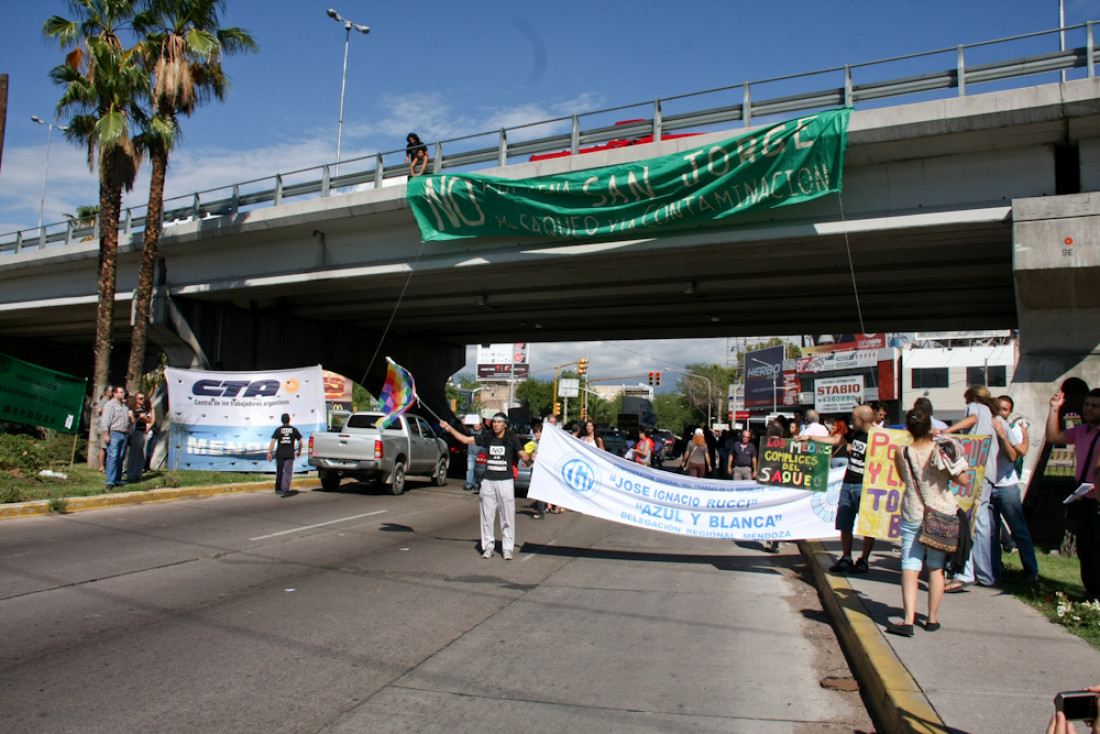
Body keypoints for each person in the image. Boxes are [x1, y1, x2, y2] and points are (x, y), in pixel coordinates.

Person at [886, 407, 969, 636]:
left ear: (908, 429)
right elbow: (962, 480)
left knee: (910, 567)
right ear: (931, 428)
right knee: (936, 568)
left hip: (913, 513)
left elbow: (904, 479)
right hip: (941, 513)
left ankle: (908, 620)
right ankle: (932, 619)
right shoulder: (942, 450)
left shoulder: (901, 452)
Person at [942, 384, 1013, 592]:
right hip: (989, 474)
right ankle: (986, 574)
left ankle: (965, 571)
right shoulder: (997, 418)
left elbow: (972, 419)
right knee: (982, 524)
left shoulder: (976, 408)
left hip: (972, 472)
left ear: (972, 398)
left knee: (966, 522)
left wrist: (949, 430)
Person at [441, 412, 530, 560]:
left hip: (505, 481)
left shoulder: (511, 439)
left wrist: (530, 458)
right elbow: (464, 439)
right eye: (494, 422)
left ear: (505, 425)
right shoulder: (487, 437)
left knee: (507, 516)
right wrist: (448, 427)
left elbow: (523, 457)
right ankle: (488, 546)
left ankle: (507, 548)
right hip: (488, 481)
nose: (495, 424)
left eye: (499, 422)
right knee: (487, 516)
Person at [803, 405, 877, 574]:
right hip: (848, 483)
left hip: (866, 487)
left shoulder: (879, 437)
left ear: (864, 419)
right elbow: (835, 440)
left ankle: (864, 559)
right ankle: (846, 557)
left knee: (868, 526)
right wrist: (809, 438)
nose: (852, 421)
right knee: (844, 523)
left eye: (854, 418)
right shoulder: (852, 434)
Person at [1048, 388, 1100, 601]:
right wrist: (1053, 410)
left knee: (1097, 548)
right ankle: (1090, 591)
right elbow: (1053, 436)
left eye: (1095, 406)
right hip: (1082, 497)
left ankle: (1097, 594)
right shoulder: (1080, 431)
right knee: (1085, 547)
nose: (1089, 409)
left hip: (1096, 497)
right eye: (1087, 404)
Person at [989, 396, 1039, 584]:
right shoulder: (989, 425)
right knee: (992, 533)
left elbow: (1016, 453)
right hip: (990, 485)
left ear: (1010, 412)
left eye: (1006, 410)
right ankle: (994, 571)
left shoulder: (1012, 430)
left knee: (1019, 530)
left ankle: (1031, 572)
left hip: (1007, 487)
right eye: (999, 409)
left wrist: (1006, 435)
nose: (1002, 413)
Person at [100, 386, 131, 490]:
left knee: (120, 458)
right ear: (114, 394)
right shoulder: (110, 405)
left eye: (123, 392)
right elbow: (105, 420)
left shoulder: (124, 407)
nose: (123, 394)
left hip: (123, 434)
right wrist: (105, 433)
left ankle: (118, 479)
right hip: (114, 433)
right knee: (113, 457)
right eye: (121, 392)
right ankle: (110, 481)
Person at [266, 413, 302, 497]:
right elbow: (300, 442)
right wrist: (299, 451)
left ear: (282, 420)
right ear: (289, 420)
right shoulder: (294, 430)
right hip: (289, 454)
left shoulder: (278, 430)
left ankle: (278, 488)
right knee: (287, 472)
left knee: (279, 471)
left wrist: (269, 452)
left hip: (280, 453)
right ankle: (285, 489)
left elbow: (273, 441)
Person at [126, 391, 154, 483]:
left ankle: (138, 474)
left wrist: (144, 418)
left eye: (143, 398)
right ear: (136, 399)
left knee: (141, 454)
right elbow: (138, 419)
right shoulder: (134, 409)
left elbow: (149, 419)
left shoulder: (143, 409)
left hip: (143, 432)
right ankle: (131, 474)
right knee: (134, 454)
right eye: (140, 398)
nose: (143, 400)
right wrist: (143, 418)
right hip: (136, 432)